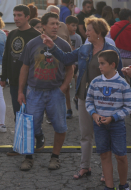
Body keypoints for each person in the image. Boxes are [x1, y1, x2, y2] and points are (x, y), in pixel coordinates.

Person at [44, 17, 122, 181]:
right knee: (85, 135)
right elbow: (66, 58)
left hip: (104, 100)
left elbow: (118, 77)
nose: (85, 33)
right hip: (84, 97)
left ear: (99, 32)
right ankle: (84, 167)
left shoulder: (111, 51)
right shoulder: (85, 48)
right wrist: (52, 46)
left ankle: (105, 172)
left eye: (89, 30)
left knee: (104, 136)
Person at [18, 12, 73, 171]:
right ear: (43, 26)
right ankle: (28, 158)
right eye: (52, 24)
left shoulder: (63, 45)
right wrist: (20, 91)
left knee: (60, 126)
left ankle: (55, 157)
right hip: (34, 92)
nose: (56, 27)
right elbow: (24, 68)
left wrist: (63, 88)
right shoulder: (32, 44)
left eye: (57, 24)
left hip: (55, 92)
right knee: (31, 127)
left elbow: (70, 69)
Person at [86, 50, 131, 190]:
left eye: (102, 63)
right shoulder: (95, 82)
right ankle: (109, 186)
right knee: (104, 155)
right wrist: (94, 114)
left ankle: (123, 185)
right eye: (99, 63)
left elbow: (128, 106)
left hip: (117, 125)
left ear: (112, 65)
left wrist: (113, 118)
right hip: (99, 125)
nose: (99, 66)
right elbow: (89, 101)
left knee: (121, 156)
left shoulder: (123, 84)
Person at [0, 5, 41, 120]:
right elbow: (6, 56)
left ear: (27, 17)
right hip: (14, 81)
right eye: (14, 15)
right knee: (17, 114)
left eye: (19, 15)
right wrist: (3, 77)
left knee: (31, 115)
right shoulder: (12, 34)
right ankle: (21, 137)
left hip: (31, 83)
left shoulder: (36, 35)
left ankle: (34, 137)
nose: (16, 18)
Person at [65, 15, 83, 118]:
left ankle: (76, 97)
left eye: (76, 25)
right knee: (66, 87)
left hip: (75, 64)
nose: (75, 27)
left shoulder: (77, 37)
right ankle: (69, 109)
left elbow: (80, 51)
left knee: (77, 80)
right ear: (67, 25)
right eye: (73, 25)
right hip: (66, 64)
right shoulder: (63, 36)